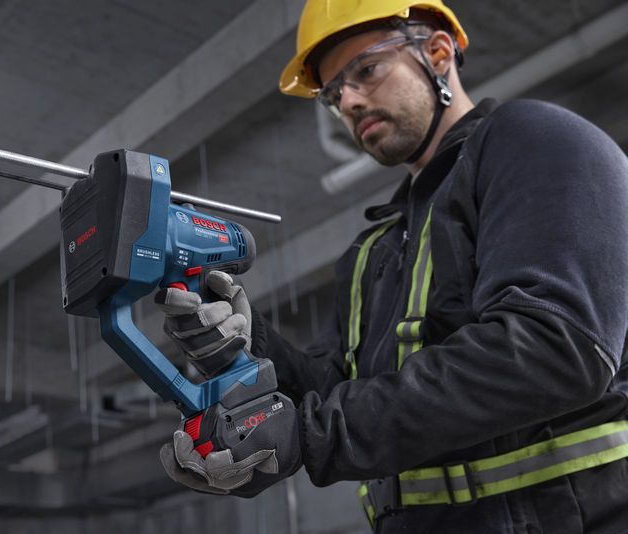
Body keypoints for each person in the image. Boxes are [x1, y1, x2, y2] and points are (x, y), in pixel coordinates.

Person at [156, 1, 628, 532]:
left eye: (366, 69)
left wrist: (311, 434)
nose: (348, 101)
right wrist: (249, 347)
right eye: (333, 93)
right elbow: (332, 393)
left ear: (438, 53)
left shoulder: (536, 140)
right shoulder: (372, 248)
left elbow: (555, 348)